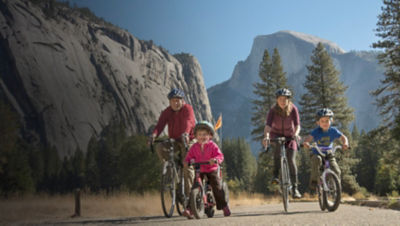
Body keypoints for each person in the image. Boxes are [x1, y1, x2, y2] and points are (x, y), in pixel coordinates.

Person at [149, 88, 196, 197]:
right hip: (174, 141)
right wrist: (154, 135)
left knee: (187, 166)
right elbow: (160, 125)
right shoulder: (167, 112)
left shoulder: (188, 109)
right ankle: (170, 167)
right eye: (173, 101)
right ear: (169, 102)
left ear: (182, 100)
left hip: (188, 139)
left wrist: (185, 134)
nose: (175, 103)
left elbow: (189, 122)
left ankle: (190, 197)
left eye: (177, 100)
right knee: (160, 147)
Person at [183, 121, 231, 219]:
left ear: (210, 135)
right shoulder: (194, 147)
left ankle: (224, 206)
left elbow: (220, 155)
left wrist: (216, 160)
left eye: (205, 134)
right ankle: (190, 209)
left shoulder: (212, 145)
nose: (202, 137)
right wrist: (186, 162)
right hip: (199, 169)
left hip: (211, 169)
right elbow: (188, 157)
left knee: (217, 186)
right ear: (195, 136)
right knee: (194, 187)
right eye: (199, 134)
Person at [262, 88, 302, 199]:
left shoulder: (293, 109)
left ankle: (295, 189)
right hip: (276, 135)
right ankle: (275, 176)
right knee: (278, 150)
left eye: (285, 99)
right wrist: (267, 137)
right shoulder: (272, 111)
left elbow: (298, 125)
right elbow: (268, 126)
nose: (283, 101)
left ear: (289, 100)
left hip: (291, 136)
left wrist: (296, 134)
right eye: (280, 99)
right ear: (277, 100)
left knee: (291, 160)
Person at [302, 108, 349, 189]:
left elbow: (343, 137)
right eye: (322, 121)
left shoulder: (333, 131)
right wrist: (306, 143)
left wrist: (345, 143)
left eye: (327, 121)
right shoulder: (316, 131)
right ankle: (314, 180)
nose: (325, 123)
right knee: (316, 160)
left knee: (336, 170)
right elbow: (309, 138)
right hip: (317, 152)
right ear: (318, 123)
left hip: (329, 153)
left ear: (332, 121)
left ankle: (336, 189)